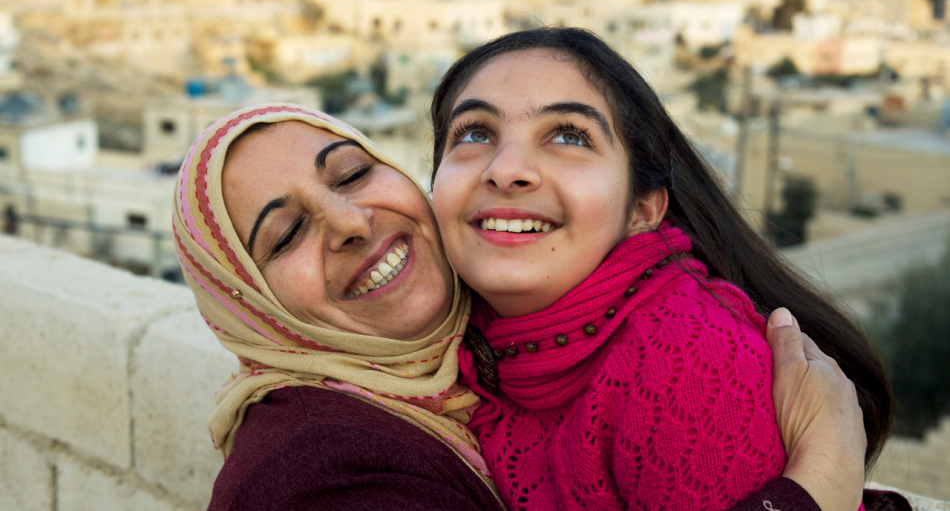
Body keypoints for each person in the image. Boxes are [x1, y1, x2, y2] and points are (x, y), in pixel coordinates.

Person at [173, 103, 879, 511]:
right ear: (249, 306)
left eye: (353, 172)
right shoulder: (322, 477)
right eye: (286, 232)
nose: (351, 220)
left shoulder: (504, 365)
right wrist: (820, 479)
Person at [428, 28, 898, 511]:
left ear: (643, 209)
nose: (506, 169)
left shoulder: (689, 363)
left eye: (569, 135)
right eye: (475, 133)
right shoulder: (442, 343)